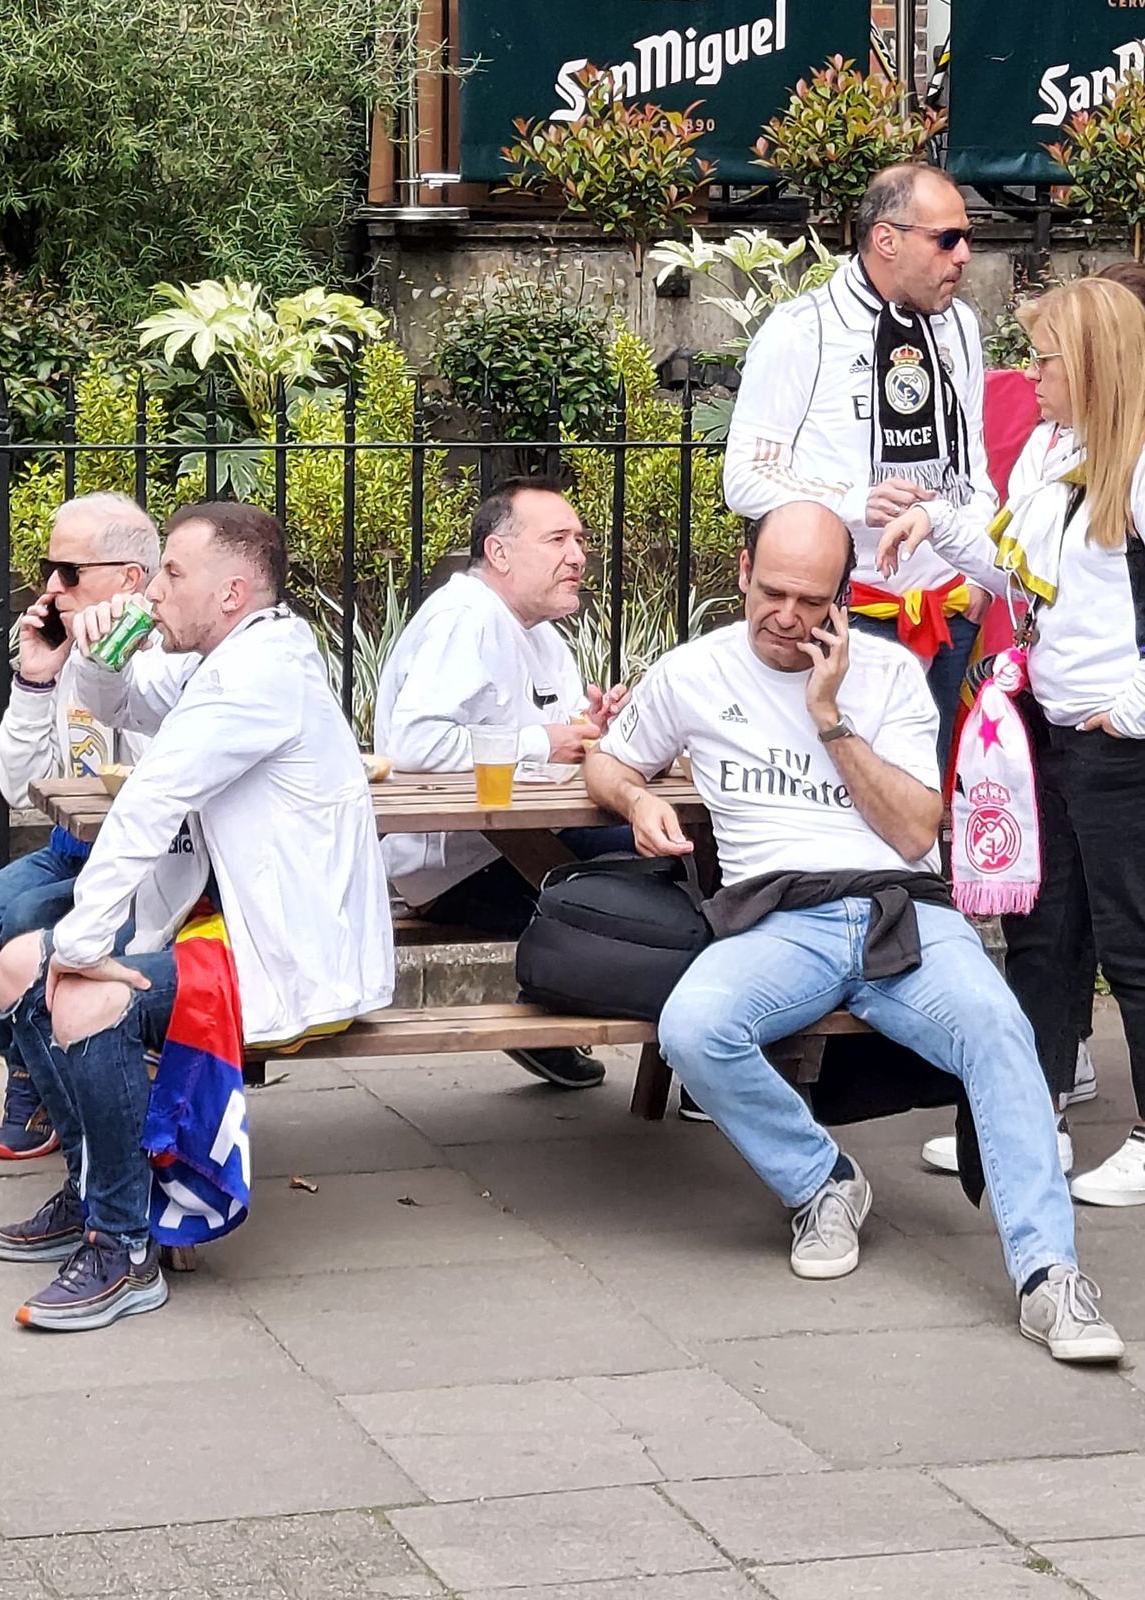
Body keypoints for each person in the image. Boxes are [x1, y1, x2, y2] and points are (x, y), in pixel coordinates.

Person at [585, 500, 1123, 1363]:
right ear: (741, 575)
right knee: (693, 1028)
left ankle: (1049, 1275)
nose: (787, 617)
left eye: (810, 600)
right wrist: (639, 796)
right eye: (772, 593)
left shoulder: (887, 675)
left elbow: (915, 830)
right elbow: (609, 755)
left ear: (843, 597)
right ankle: (822, 1180)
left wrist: (830, 713)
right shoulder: (693, 673)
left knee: (999, 1028)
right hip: (777, 919)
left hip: (901, 911)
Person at [0, 502, 394, 1330]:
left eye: (173, 573)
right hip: (230, 925)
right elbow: (121, 705)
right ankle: (93, 1189)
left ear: (233, 590)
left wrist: (81, 942)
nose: (156, 588)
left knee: (84, 994)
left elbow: (152, 799)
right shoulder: (222, 654)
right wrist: (100, 651)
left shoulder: (256, 676)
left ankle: (124, 1247)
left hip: (288, 950)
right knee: (12, 967)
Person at [878, 276, 1145, 1207]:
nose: (1029, 372)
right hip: (1052, 725)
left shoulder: (1139, 463)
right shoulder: (1049, 451)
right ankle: (1027, 1123)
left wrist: (1132, 707)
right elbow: (1015, 569)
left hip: (1116, 743)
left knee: (1132, 942)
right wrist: (936, 522)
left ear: (1098, 366)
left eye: (1045, 357)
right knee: (1040, 932)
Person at [723, 162, 995, 773]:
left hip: (948, 610)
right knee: (842, 792)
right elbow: (743, 476)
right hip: (848, 616)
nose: (965, 256)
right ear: (887, 239)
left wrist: (976, 574)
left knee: (929, 800)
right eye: (947, 239)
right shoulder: (802, 329)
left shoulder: (961, 327)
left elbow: (971, 463)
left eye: (967, 237)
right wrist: (852, 499)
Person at [374, 477, 629, 1090]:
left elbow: (558, 738)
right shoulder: (467, 620)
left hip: (517, 840)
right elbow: (414, 744)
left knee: (663, 859)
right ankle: (558, 1016)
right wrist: (545, 741)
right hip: (452, 864)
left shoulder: (540, 634)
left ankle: (554, 1016)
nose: (578, 555)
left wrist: (591, 729)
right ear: (499, 553)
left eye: (582, 540)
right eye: (559, 540)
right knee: (652, 887)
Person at [0, 492, 158, 1161]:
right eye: (48, 568)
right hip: (72, 850)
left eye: (69, 572)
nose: (50, 588)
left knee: (29, 922)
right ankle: (36, 1071)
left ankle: (70, 1122)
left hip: (145, 870)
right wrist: (37, 682)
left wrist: (116, 664)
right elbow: (18, 785)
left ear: (130, 579)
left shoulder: (170, 650)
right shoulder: (68, 651)